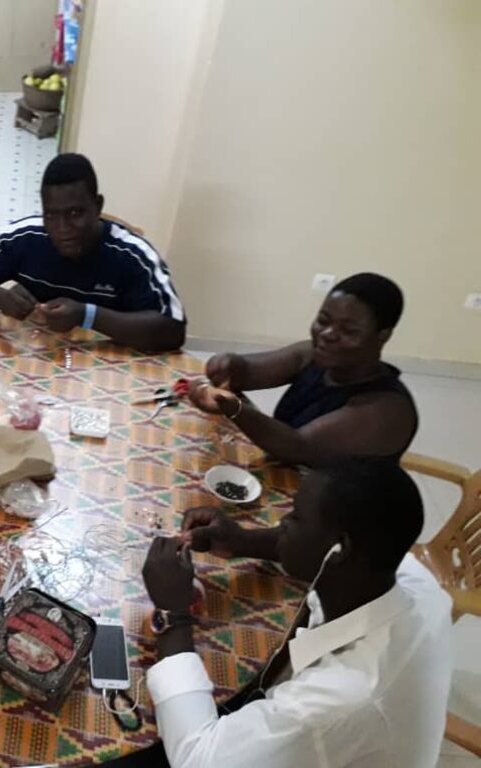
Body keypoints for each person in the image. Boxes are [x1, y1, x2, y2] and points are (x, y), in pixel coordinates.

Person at [138, 460, 451, 768]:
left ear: (339, 549)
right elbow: (330, 546)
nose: (283, 523)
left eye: (296, 518)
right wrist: (242, 541)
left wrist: (173, 614)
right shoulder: (414, 583)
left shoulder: (338, 699)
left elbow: (197, 758)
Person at [0, 153, 186, 352]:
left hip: (106, 373)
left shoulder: (132, 255)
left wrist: (87, 315)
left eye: (74, 213)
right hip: (36, 362)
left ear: (98, 206)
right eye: (51, 215)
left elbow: (173, 330)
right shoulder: (27, 237)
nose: (62, 228)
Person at [187, 273, 417, 465]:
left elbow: (297, 447)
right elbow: (247, 372)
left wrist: (235, 408)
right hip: (288, 476)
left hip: (339, 503)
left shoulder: (387, 410)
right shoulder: (313, 354)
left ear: (382, 336)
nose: (327, 334)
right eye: (323, 320)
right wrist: (227, 364)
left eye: (348, 330)